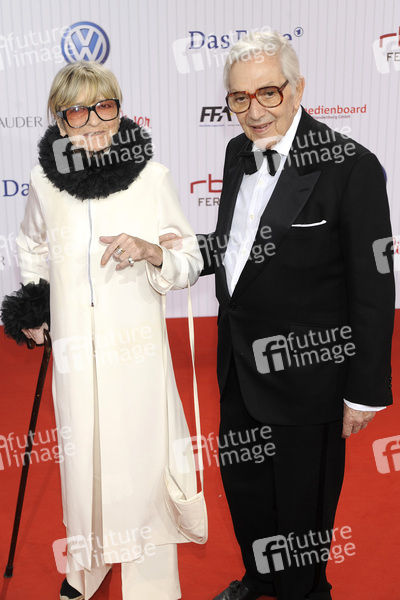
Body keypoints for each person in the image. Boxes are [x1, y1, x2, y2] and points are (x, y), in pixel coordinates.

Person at [161, 30, 395, 600]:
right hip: (239, 365)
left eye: (269, 92)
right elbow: (239, 248)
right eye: (239, 98)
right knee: (246, 488)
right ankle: (260, 579)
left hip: (309, 375)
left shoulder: (352, 167)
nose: (255, 110)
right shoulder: (237, 152)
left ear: (298, 89)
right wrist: (175, 252)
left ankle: (305, 593)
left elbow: (373, 286)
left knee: (302, 511)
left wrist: (365, 392)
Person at [1, 61, 203, 600]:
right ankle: (87, 567)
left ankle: (151, 583)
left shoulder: (151, 178)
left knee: (140, 460)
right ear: (59, 120)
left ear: (119, 109)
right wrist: (36, 304)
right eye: (78, 111)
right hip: (73, 351)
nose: (93, 121)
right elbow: (31, 243)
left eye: (104, 107)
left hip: (136, 353)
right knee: (85, 461)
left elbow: (189, 260)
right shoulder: (44, 183)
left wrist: (153, 252)